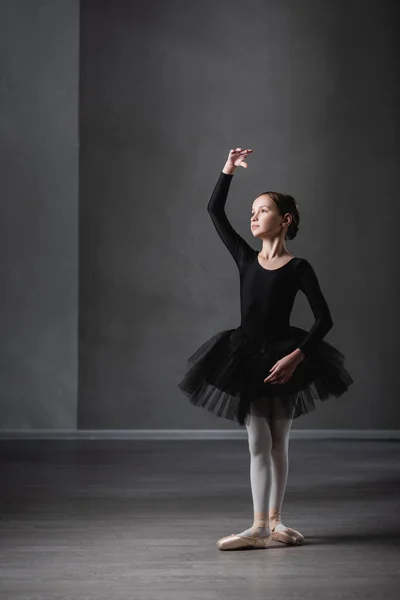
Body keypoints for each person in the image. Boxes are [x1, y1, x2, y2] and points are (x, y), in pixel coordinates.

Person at [178, 147, 354, 550]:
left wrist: (296, 357)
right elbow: (214, 211)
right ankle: (258, 527)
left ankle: (275, 522)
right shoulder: (246, 258)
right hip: (246, 356)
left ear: (285, 220)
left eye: (262, 210)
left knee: (280, 441)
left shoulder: (298, 268)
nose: (253, 216)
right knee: (259, 442)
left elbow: (324, 319)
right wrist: (228, 169)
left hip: (286, 356)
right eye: (252, 211)